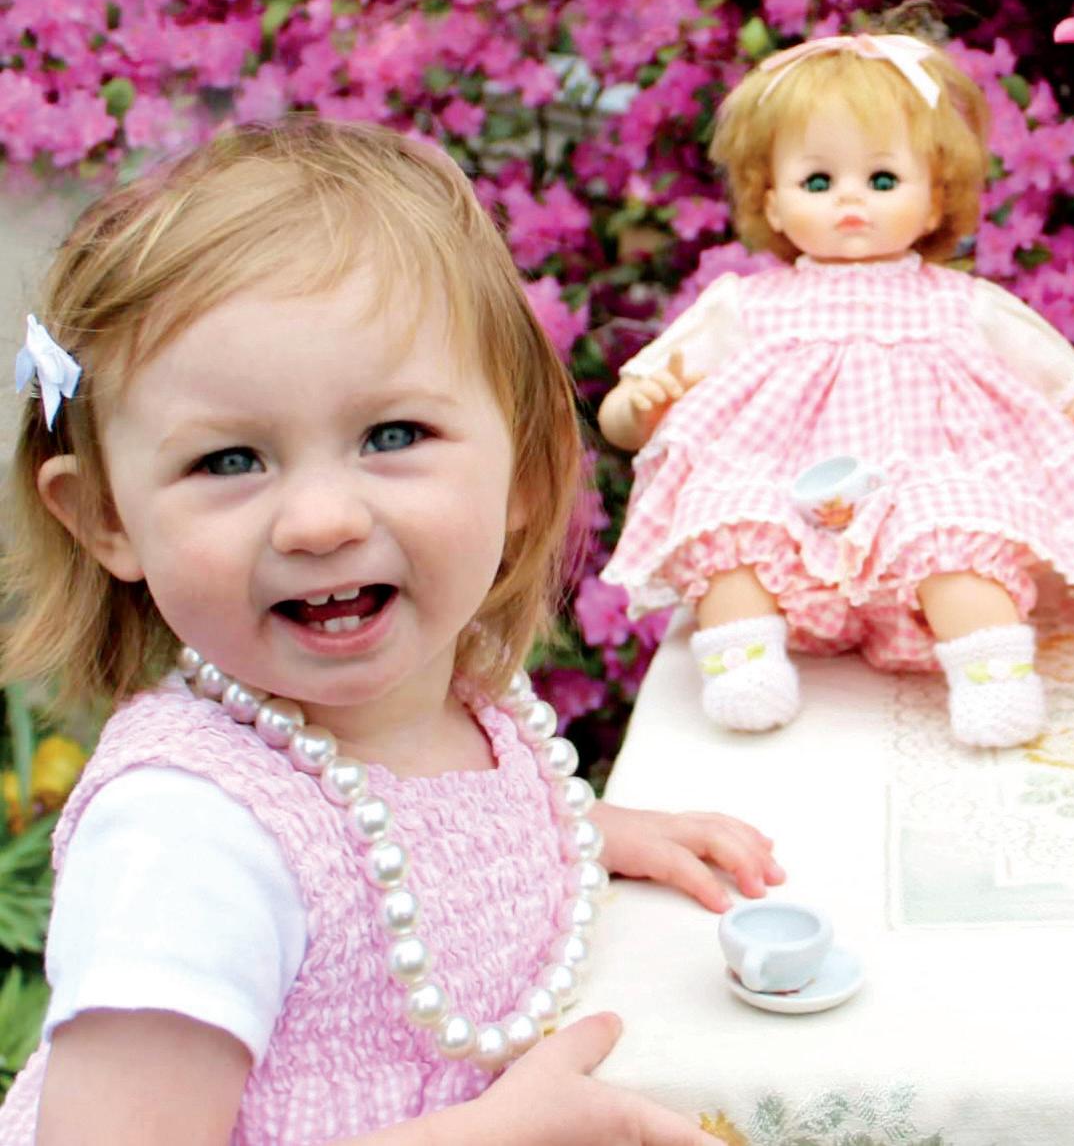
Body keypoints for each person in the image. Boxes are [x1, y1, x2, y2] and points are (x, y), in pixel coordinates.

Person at [0, 120, 783, 1145]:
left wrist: (570, 830)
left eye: (392, 435)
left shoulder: (449, 698)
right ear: (107, 517)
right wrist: (494, 1134)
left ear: (525, 470)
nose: (320, 520)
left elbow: (404, 843)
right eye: (230, 460)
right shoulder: (186, 842)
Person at [598, 32, 1074, 749]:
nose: (850, 198)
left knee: (958, 536)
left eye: (882, 180)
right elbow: (626, 409)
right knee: (728, 525)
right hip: (784, 500)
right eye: (818, 181)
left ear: (935, 199)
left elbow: (1062, 385)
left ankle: (991, 676)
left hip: (925, 482)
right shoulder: (744, 305)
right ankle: (744, 659)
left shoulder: (964, 303)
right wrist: (639, 408)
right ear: (772, 202)